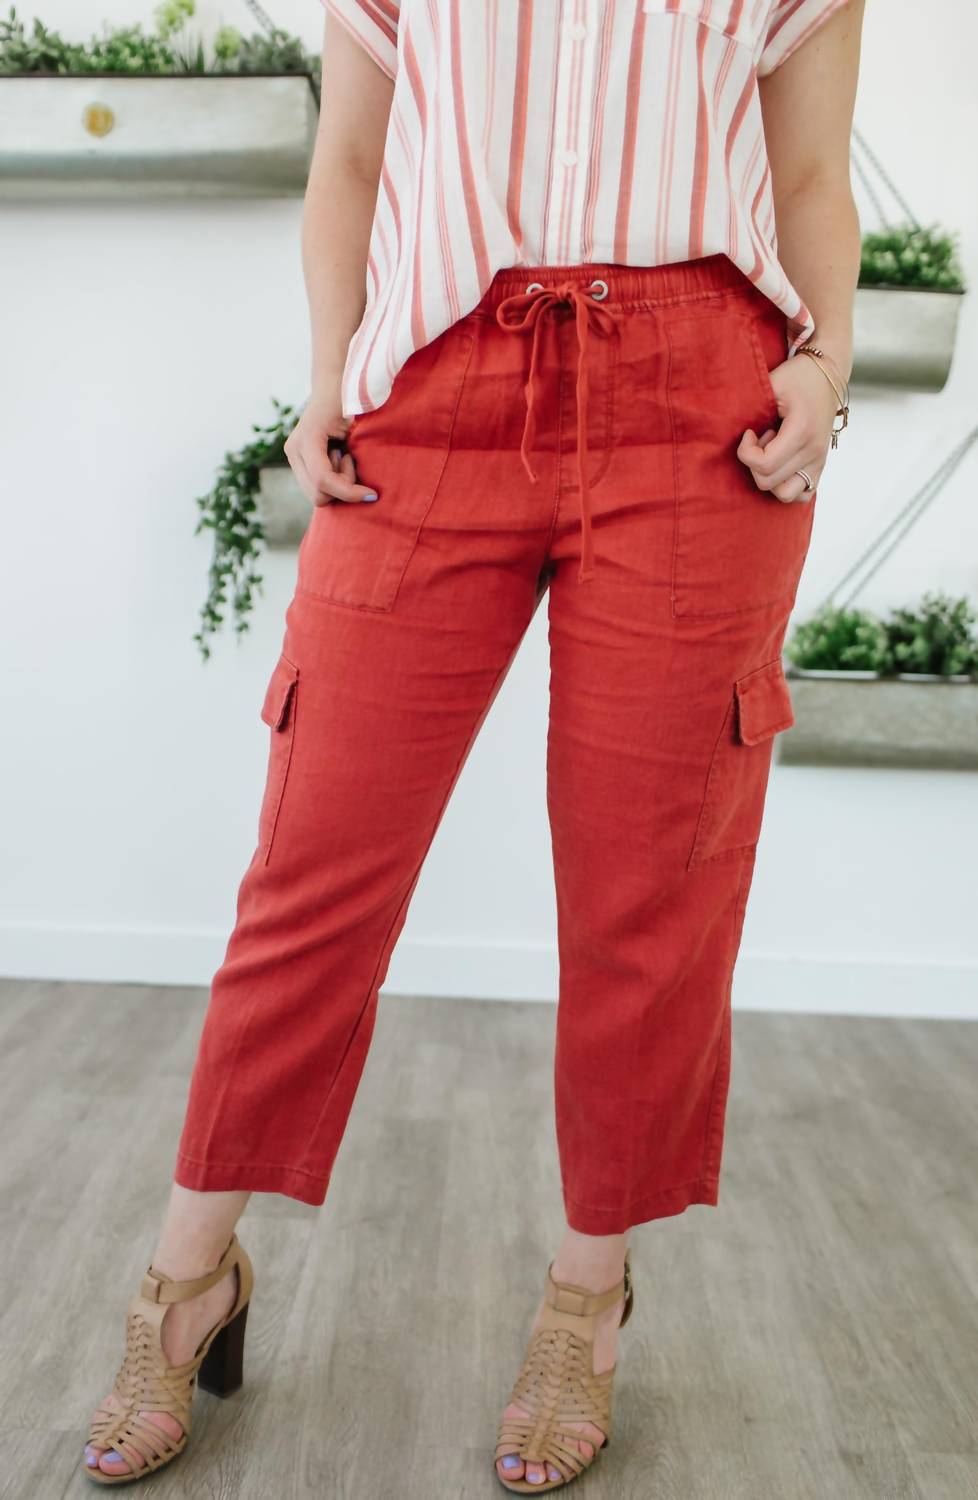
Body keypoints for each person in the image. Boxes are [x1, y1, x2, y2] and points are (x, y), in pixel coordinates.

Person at [82, 0, 864, 1490]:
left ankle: (585, 1303)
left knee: (649, 894)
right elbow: (352, 156)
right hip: (438, 381)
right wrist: (330, 373)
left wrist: (823, 370)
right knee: (316, 864)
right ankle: (187, 1274)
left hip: (700, 415)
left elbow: (813, 173)